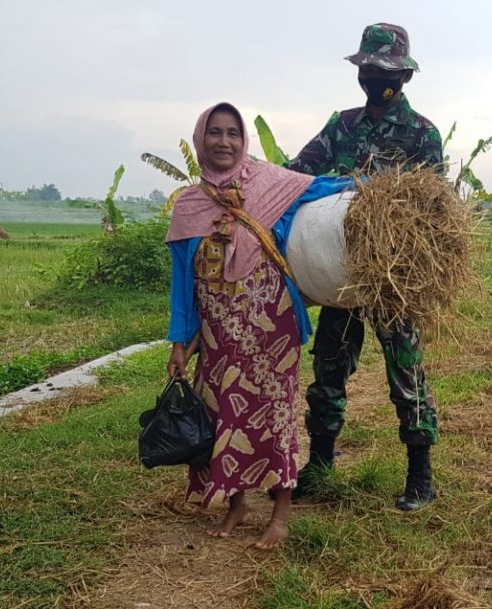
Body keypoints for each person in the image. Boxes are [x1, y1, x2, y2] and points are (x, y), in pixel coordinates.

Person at [165, 102, 351, 548]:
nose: (224, 141)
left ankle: (281, 516)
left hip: (272, 331)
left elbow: (322, 188)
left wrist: (378, 186)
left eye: (233, 132)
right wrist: (179, 342)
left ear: (243, 139)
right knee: (223, 415)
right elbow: (182, 285)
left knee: (275, 416)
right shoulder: (188, 208)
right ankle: (237, 504)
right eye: (215, 132)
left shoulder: (272, 186)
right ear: (200, 139)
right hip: (217, 336)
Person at [286, 23, 443, 511]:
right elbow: (297, 173)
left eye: (384, 71)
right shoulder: (343, 127)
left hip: (394, 281)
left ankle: (420, 476)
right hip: (341, 273)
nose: (375, 78)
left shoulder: (421, 135)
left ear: (405, 76)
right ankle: (321, 463)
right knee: (329, 368)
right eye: (368, 70)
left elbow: (436, 212)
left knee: (406, 372)